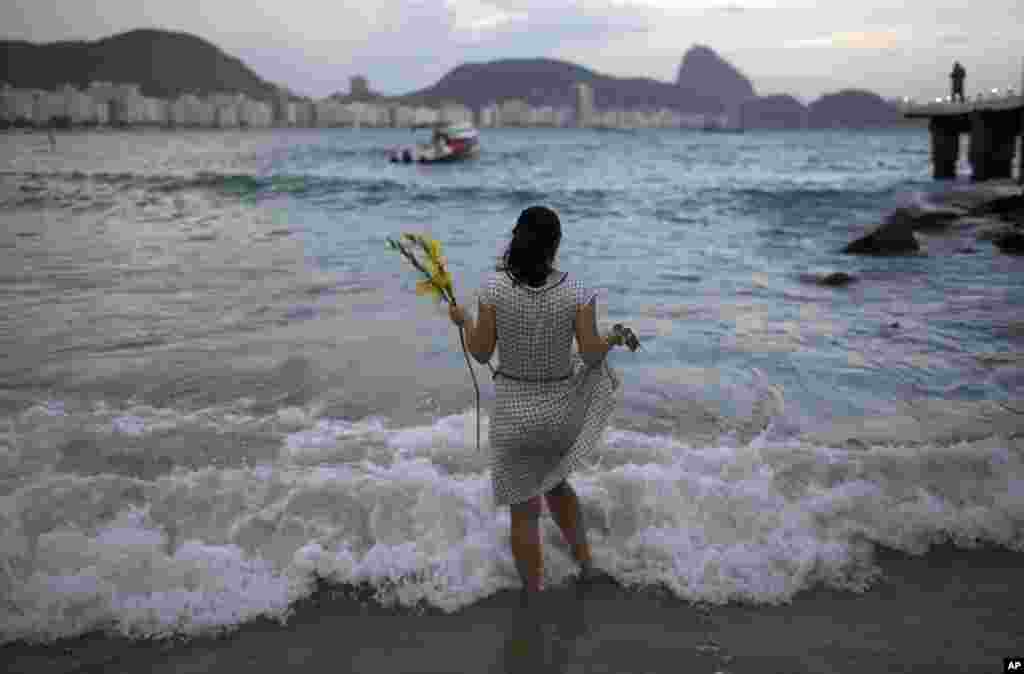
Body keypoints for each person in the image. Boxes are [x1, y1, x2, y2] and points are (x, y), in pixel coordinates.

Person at [449, 205, 623, 606]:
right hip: (559, 413)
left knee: (524, 512)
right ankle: (586, 567)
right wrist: (612, 337)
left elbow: (479, 353)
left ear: (516, 238)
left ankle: (533, 593)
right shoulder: (577, 292)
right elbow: (593, 356)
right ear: (556, 244)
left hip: (514, 414)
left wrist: (463, 321)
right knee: (557, 484)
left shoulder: (494, 289)